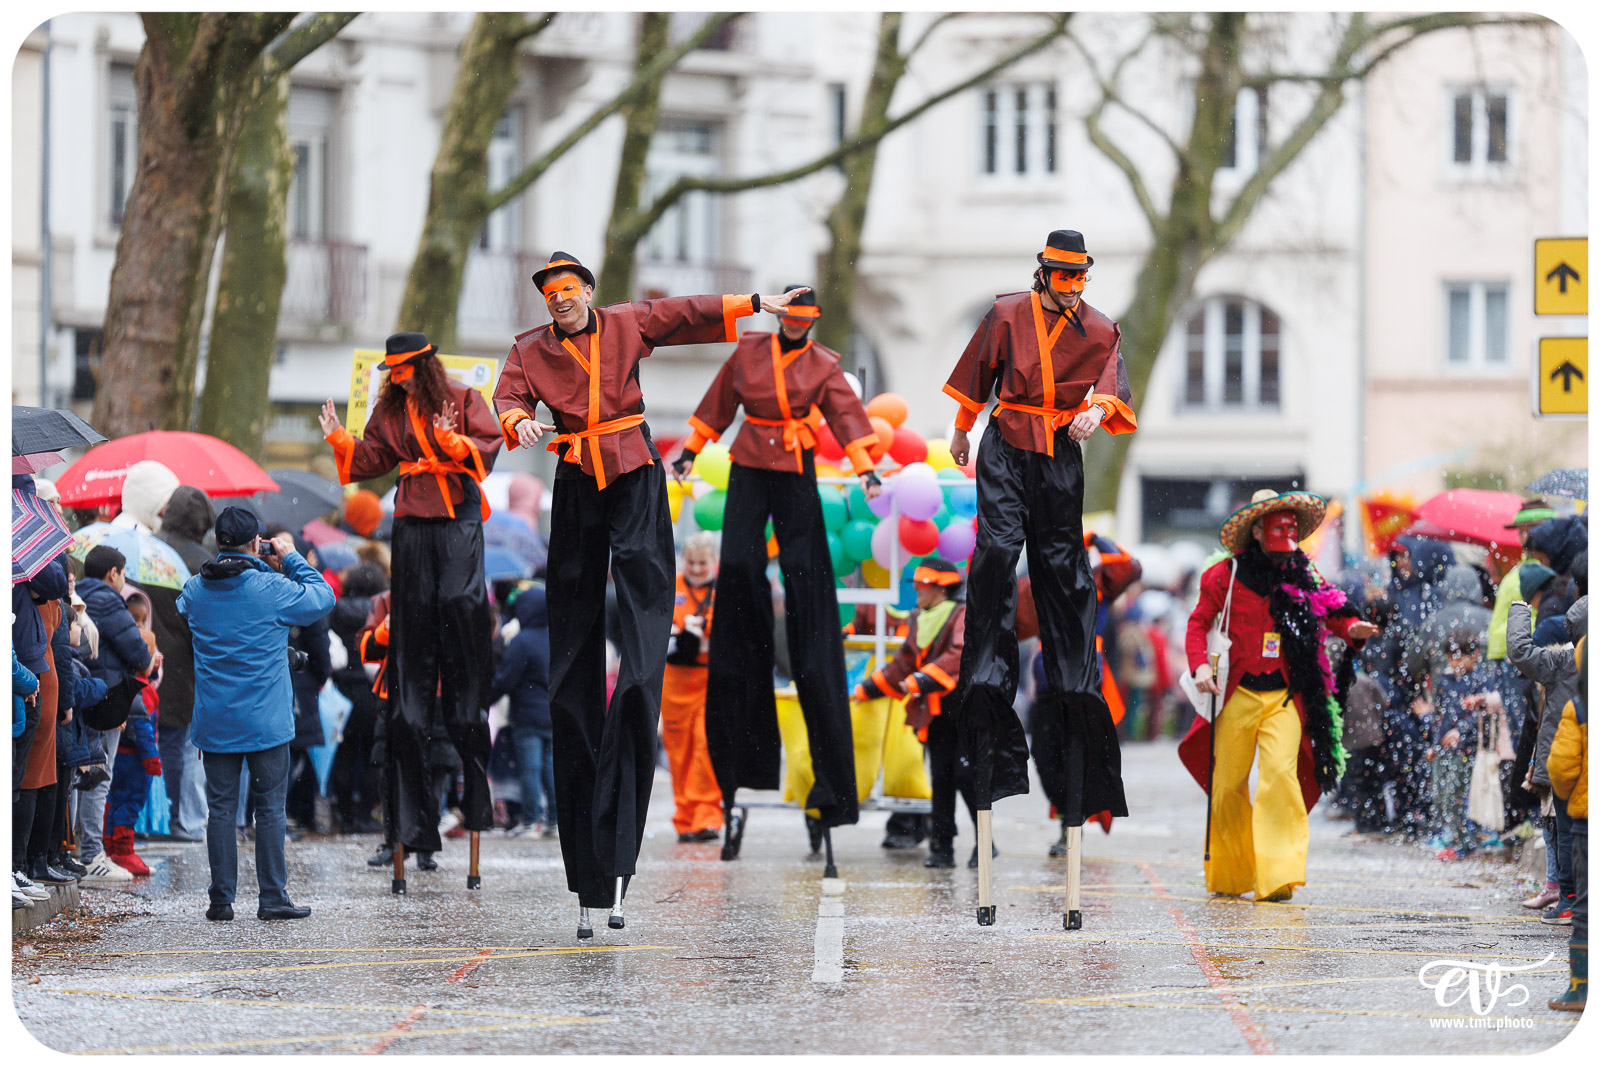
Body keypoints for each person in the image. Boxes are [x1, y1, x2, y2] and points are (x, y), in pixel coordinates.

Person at [492, 249, 804, 930]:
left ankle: (635, 703)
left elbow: (685, 315)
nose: (560, 300)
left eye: (569, 290)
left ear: (589, 292)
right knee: (573, 654)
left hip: (633, 470)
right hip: (576, 474)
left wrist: (755, 306)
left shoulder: (625, 323)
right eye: (551, 294)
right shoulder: (529, 350)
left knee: (637, 658)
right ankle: (587, 869)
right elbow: (508, 396)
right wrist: (516, 421)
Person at [942, 230, 1139, 847]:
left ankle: (1074, 678)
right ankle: (987, 660)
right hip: (1005, 443)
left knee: (1062, 566)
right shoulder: (1005, 313)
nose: (1072, 290)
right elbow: (977, 375)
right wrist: (960, 432)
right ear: (1043, 273)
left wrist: (1098, 413)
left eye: (1080, 279)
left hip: (1059, 452)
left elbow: (1113, 391)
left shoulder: (1101, 328)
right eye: (1063, 278)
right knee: (998, 549)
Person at [673, 286, 878, 859]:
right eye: (788, 319)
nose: (793, 327)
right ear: (782, 317)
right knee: (738, 562)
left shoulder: (824, 365)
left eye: (801, 321)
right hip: (749, 461)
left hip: (794, 462)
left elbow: (845, 414)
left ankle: (805, 620)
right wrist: (691, 450)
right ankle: (748, 618)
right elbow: (718, 404)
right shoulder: (748, 353)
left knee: (808, 569)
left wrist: (865, 469)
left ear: (810, 323)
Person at [319, 331, 503, 871]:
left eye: (401, 369)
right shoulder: (391, 406)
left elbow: (485, 449)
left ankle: (466, 798)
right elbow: (373, 455)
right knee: (416, 611)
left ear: (421, 365)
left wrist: (449, 443)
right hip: (413, 515)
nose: (393, 376)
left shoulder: (461, 396)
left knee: (458, 601)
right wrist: (338, 440)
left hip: (457, 510)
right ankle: (410, 829)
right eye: (389, 370)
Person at [1180, 489, 1377, 902]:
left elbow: (1333, 609)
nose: (1286, 536)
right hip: (1236, 694)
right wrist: (1199, 665)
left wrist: (1352, 628)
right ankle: (1233, 875)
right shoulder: (1224, 576)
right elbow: (1198, 623)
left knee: (1280, 778)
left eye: (1291, 527)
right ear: (1256, 530)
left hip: (1285, 698)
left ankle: (1279, 877)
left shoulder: (1305, 574)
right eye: (1277, 526)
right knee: (1228, 784)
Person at [177, 507, 335, 921]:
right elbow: (323, 597)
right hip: (266, 721)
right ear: (255, 545)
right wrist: (290, 557)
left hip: (216, 720)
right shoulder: (272, 589)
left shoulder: (195, 590)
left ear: (217, 542)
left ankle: (221, 899)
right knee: (268, 808)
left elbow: (183, 608)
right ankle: (271, 897)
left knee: (222, 809)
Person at [854, 559, 971, 868]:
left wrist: (921, 679)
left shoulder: (961, 615)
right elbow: (903, 663)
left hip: (964, 710)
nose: (916, 589)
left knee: (967, 776)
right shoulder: (919, 618)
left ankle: (986, 844)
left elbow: (958, 655)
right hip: (935, 713)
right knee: (942, 778)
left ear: (940, 587)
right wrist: (868, 689)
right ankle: (943, 848)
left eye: (923, 584)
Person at [1508, 587, 1583, 918]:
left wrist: (1520, 611)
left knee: (1566, 833)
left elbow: (1520, 651)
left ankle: (1569, 899)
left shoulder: (1564, 662)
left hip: (1569, 766)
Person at [152, 484, 216, 841]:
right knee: (189, 748)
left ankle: (153, 820)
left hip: (147, 661)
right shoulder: (199, 562)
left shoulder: (148, 549)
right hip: (188, 668)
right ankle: (186, 820)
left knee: (152, 743)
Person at [661, 533, 723, 844]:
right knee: (679, 752)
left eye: (703, 563)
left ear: (714, 562)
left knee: (706, 750)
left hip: (710, 680)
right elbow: (658, 622)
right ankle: (685, 818)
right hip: (675, 682)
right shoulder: (671, 585)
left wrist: (699, 632)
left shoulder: (725, 588)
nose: (697, 568)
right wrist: (680, 633)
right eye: (691, 562)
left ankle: (707, 816)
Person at [487, 584, 555, 838]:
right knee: (549, 768)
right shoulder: (553, 637)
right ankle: (555, 821)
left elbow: (506, 679)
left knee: (530, 769)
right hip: (551, 715)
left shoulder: (521, 641)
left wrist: (486, 698)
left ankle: (531, 820)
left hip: (526, 716)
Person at [1545, 635, 1587, 1011]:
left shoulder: (1580, 708)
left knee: (1588, 906)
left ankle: (1581, 986)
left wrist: (1568, 795)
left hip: (1587, 818)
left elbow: (1560, 767)